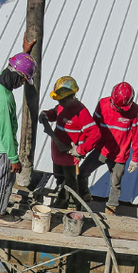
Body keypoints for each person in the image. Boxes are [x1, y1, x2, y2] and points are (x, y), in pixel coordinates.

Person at [0, 52, 36, 224]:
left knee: (4, 177)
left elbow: (18, 64)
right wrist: (14, 159)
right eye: (23, 80)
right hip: (3, 147)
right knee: (6, 179)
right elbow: (7, 134)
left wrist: (26, 51)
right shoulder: (5, 100)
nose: (21, 84)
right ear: (18, 75)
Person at [38, 76, 102, 209]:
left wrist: (80, 150)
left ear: (71, 97)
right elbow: (55, 113)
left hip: (69, 157)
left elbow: (95, 134)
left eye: (62, 100)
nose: (60, 102)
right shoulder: (62, 106)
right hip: (57, 153)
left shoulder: (81, 112)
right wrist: (46, 115)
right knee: (59, 179)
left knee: (70, 183)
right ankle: (62, 201)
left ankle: (73, 205)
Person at [79, 82, 138, 214]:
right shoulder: (103, 104)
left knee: (116, 184)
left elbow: (137, 135)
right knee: (82, 173)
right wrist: (84, 145)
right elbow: (92, 127)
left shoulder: (136, 111)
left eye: (122, 108)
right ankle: (83, 196)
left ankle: (110, 209)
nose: (119, 110)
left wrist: (135, 158)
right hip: (100, 150)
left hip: (119, 156)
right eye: (117, 107)